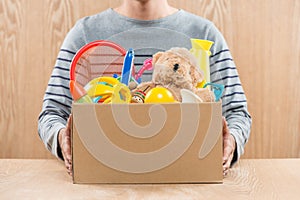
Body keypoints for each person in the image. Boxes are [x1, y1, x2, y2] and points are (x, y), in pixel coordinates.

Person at [38, 0, 251, 176]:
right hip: (103, 185)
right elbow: (52, 113)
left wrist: (231, 141)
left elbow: (237, 113)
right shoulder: (84, 33)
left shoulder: (205, 34)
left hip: (187, 184)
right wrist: (61, 138)